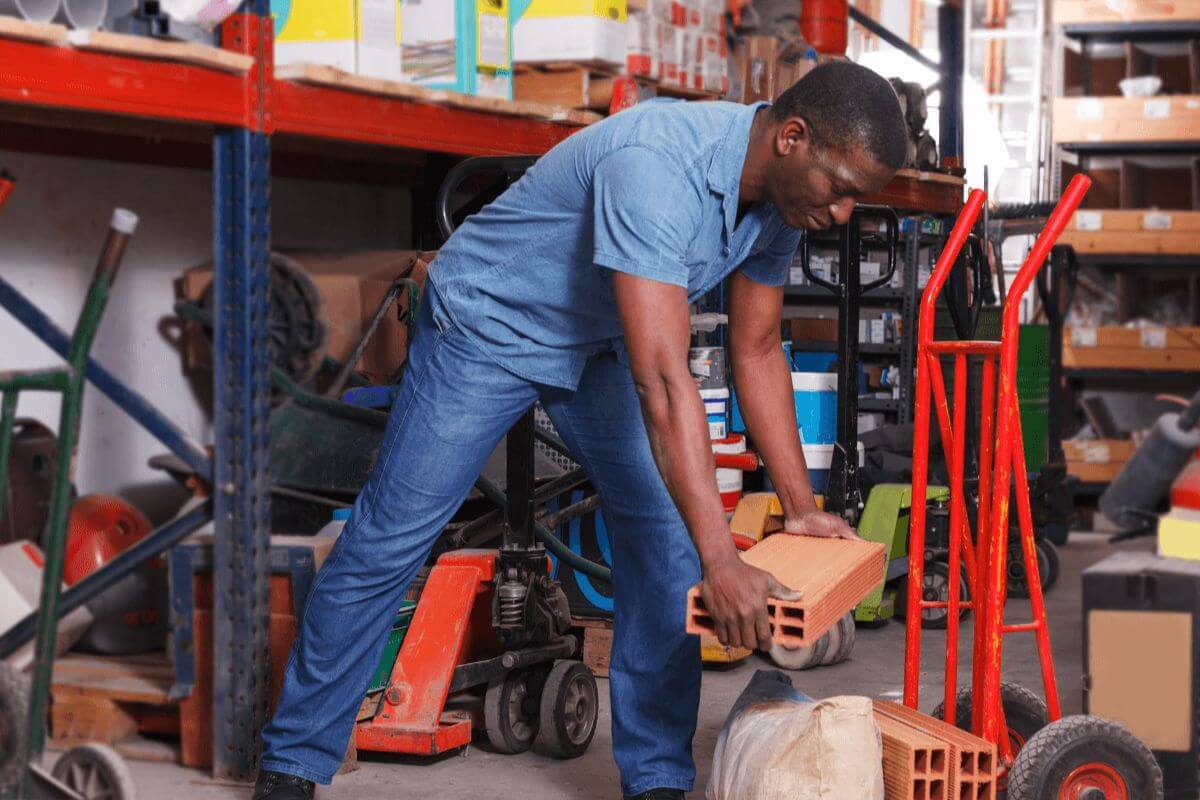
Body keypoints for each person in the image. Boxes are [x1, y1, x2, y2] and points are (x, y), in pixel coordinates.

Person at [252, 60, 906, 800]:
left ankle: (657, 778)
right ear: (793, 137)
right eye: (843, 188)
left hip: (595, 346)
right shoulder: (656, 169)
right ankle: (292, 766)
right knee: (390, 537)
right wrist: (723, 562)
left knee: (662, 542)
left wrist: (802, 503)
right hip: (487, 327)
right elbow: (663, 383)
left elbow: (754, 350)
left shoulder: (780, 204)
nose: (845, 213)